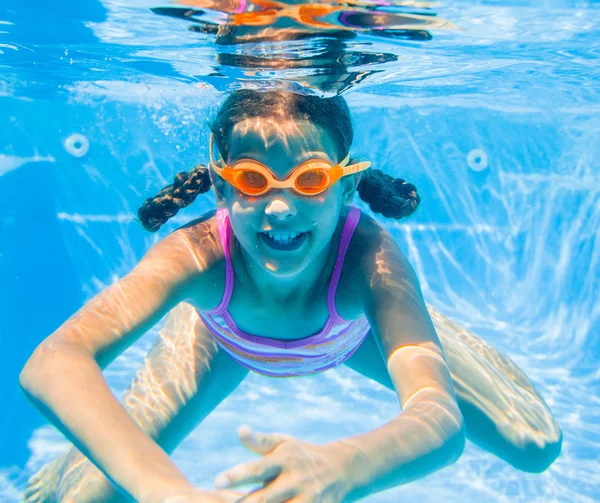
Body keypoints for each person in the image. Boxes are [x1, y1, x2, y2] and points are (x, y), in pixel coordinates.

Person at [21, 89, 562, 503]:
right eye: (254, 181)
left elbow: (441, 424)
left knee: (535, 444)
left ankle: (418, 322)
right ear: (222, 186)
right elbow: (52, 364)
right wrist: (169, 492)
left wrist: (345, 465)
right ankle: (75, 464)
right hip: (220, 338)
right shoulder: (198, 256)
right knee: (88, 496)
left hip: (353, 334)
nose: (280, 209)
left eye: (310, 180)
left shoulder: (369, 262)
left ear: (348, 187)